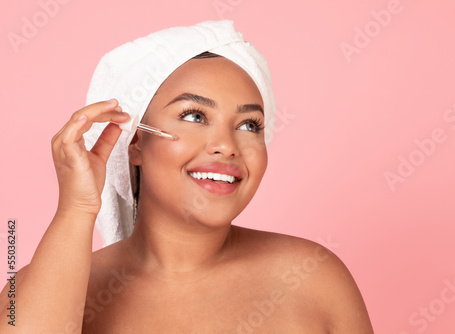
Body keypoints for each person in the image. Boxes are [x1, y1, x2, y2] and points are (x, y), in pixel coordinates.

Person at [0, 21, 373, 333]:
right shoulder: (46, 291)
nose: (226, 146)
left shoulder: (312, 277)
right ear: (135, 142)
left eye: (249, 124)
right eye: (194, 116)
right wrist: (77, 208)